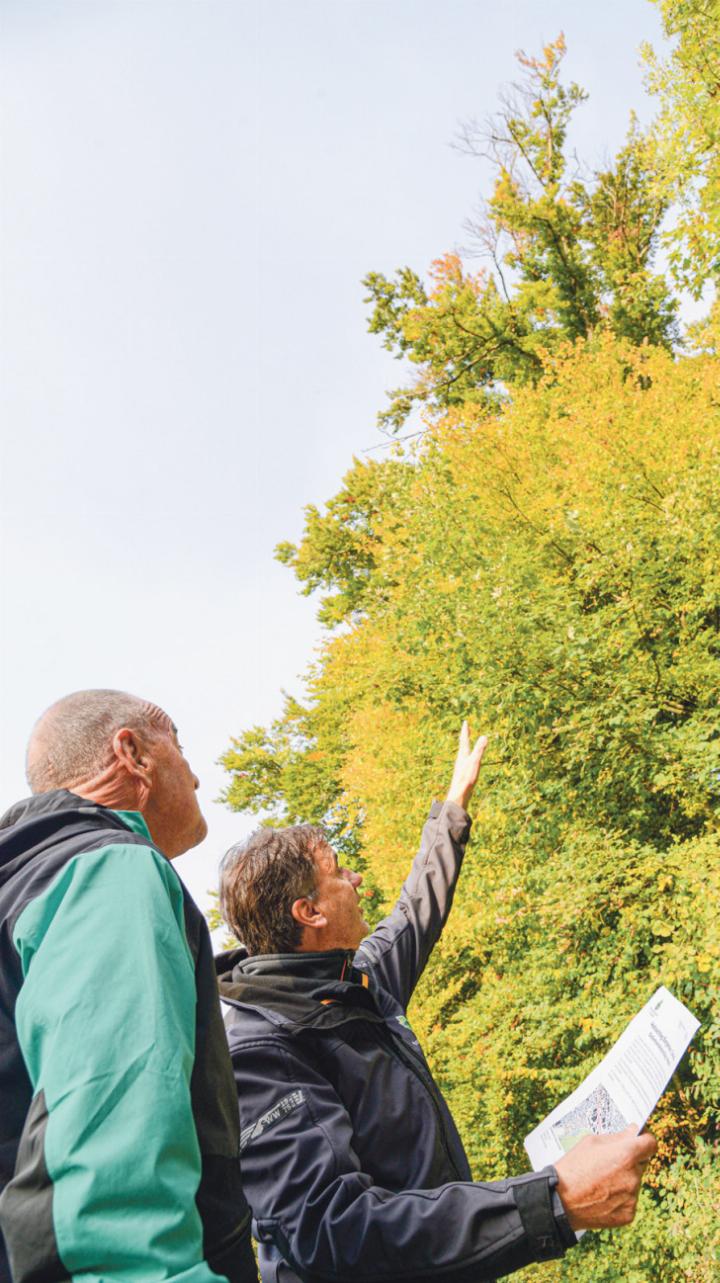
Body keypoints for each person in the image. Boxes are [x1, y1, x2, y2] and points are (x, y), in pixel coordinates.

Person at [218, 723, 656, 1283]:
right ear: (311, 912)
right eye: (339, 872)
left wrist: (453, 807)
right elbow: (333, 1230)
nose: (356, 878)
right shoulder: (259, 1052)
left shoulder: (353, 983)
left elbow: (414, 913)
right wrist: (553, 1201)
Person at [0, 690, 258, 1283]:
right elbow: (112, 1187)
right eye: (180, 746)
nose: (196, 775)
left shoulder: (24, 884)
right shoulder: (108, 868)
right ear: (133, 753)